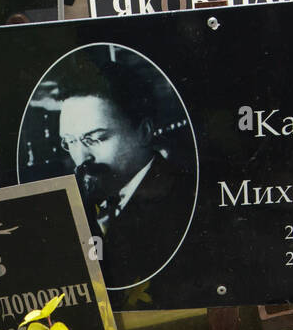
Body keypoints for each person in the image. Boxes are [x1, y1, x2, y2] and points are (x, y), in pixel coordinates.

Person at [50, 50, 194, 291]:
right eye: (70, 142)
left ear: (144, 132)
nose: (81, 158)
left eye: (95, 139)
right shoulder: (88, 200)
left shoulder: (182, 197)